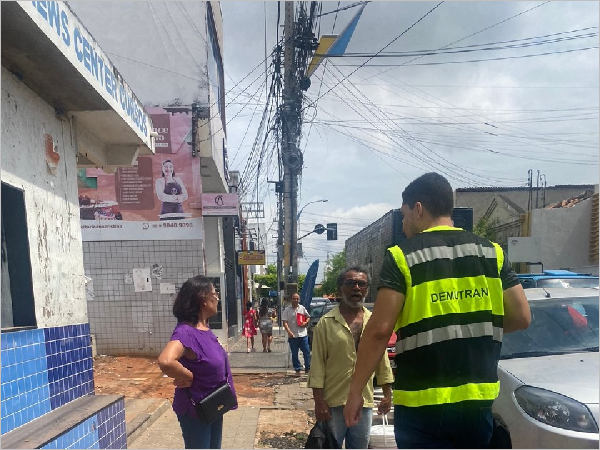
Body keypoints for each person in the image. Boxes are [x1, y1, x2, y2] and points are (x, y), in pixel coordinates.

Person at [343, 172, 531, 449]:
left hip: (422, 404)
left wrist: (356, 391)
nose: (404, 226)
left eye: (405, 216)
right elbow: (521, 317)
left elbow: (379, 332)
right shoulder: (492, 253)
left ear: (418, 209)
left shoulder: (402, 256)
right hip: (476, 402)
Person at [308, 266, 394, 449]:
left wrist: (387, 394)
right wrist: (319, 401)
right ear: (340, 288)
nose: (356, 288)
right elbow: (317, 365)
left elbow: (382, 360)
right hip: (333, 404)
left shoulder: (374, 322)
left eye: (361, 284)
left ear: (367, 289)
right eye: (350, 283)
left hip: (364, 403)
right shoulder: (326, 323)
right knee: (330, 445)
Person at [157, 275, 237, 449]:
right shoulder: (186, 331)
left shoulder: (204, 329)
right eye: (214, 294)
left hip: (213, 403)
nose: (217, 298)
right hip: (196, 408)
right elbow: (166, 361)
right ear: (203, 299)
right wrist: (188, 376)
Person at [282, 292, 311, 376]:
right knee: (294, 354)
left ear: (299, 300)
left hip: (303, 335)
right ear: (291, 299)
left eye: (297, 299)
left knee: (306, 352)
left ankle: (307, 369)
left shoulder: (302, 308)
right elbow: (285, 322)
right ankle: (297, 370)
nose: (296, 300)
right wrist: (289, 332)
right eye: (294, 298)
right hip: (293, 336)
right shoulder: (287, 310)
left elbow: (308, 317)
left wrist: (305, 322)